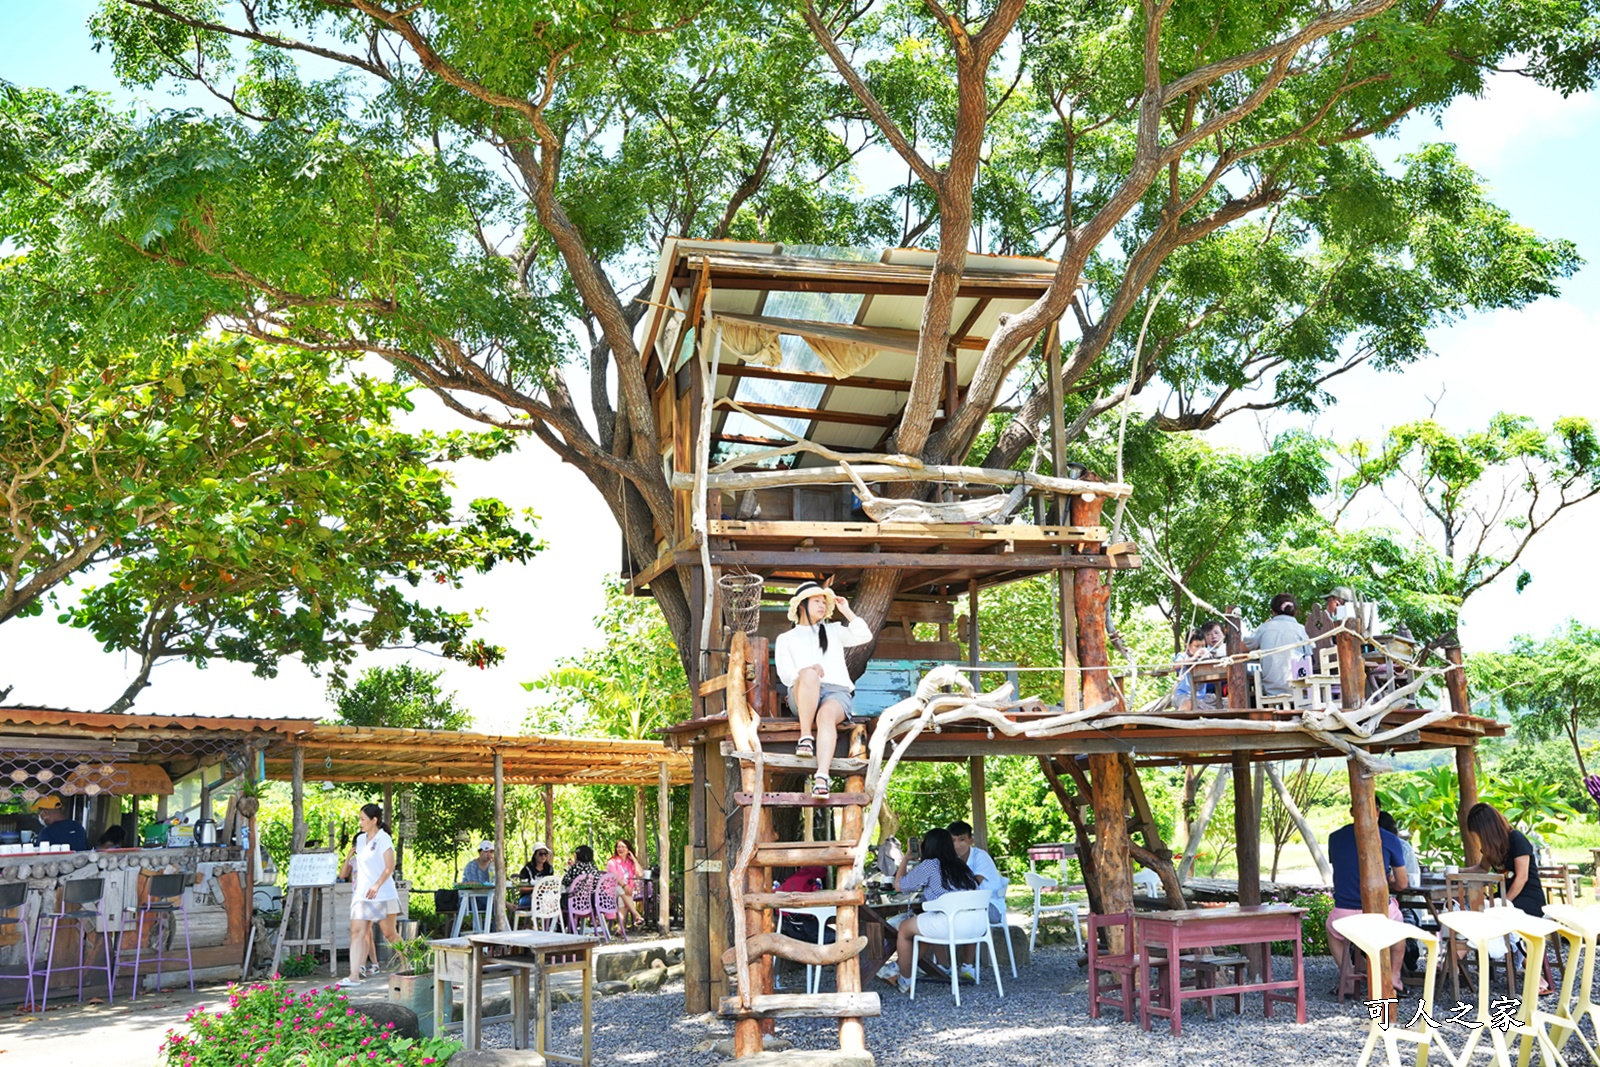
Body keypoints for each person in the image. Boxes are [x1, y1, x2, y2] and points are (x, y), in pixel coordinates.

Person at [774, 580, 873, 798]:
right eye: (816, 601)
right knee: (809, 674)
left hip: (836, 694)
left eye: (823, 602)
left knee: (827, 716)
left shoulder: (833, 631)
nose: (821, 605)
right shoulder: (786, 638)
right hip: (803, 692)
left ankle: (822, 776)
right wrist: (807, 671)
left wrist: (846, 610)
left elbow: (865, 636)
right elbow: (785, 674)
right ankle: (806, 737)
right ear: (802, 605)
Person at [876, 828, 981, 994]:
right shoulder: (961, 865)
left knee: (905, 928)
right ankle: (895, 968)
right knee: (922, 928)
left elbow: (900, 885)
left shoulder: (931, 864)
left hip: (948, 924)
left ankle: (905, 980)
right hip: (974, 926)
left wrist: (906, 858)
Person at [1465, 801, 1551, 994]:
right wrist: (1457, 872)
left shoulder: (1517, 839)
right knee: (1478, 911)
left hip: (1529, 897)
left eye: (1477, 833)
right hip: (1506, 897)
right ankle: (1456, 957)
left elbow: (1522, 878)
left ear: (1485, 829)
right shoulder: (1492, 846)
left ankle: (1535, 975)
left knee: (1503, 915)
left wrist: (1504, 904)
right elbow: (1482, 869)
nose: (1476, 838)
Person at [1326, 804, 1409, 997]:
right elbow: (1403, 883)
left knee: (1331, 930)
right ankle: (1394, 978)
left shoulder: (1335, 838)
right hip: (1379, 914)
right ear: (1378, 812)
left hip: (1343, 914)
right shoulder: (1390, 839)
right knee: (1400, 927)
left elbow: (1344, 869)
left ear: (1352, 812)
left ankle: (1346, 978)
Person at [340, 803, 398, 983]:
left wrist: (377, 885)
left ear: (374, 820)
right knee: (357, 932)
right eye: (359, 819)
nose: (360, 822)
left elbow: (390, 866)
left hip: (382, 893)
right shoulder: (360, 840)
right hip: (361, 895)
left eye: (363, 819)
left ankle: (407, 962)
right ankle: (354, 975)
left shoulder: (383, 839)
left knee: (389, 933)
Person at [947, 820, 1004, 985]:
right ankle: (942, 966)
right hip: (963, 904)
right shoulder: (950, 860)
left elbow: (972, 884)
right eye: (953, 841)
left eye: (962, 840)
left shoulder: (981, 857)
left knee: (969, 913)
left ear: (971, 840)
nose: (957, 845)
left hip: (991, 907)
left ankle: (967, 967)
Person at [1243, 593, 1312, 699]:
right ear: (1295, 611)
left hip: (1271, 688)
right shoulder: (1300, 629)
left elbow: (1244, 646)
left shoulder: (1264, 628)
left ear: (1273, 611)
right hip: (1296, 687)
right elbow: (1309, 655)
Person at [606, 840, 647, 929]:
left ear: (628, 849)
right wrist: (624, 886)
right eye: (618, 847)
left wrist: (634, 859)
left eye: (623, 847)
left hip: (625, 891)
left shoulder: (630, 862)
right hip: (610, 890)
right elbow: (615, 877)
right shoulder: (612, 862)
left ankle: (620, 930)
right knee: (622, 890)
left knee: (623, 899)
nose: (620, 849)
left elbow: (640, 874)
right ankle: (636, 914)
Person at [1307, 585, 1357, 653]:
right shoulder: (1357, 619)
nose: (1326, 605)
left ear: (1337, 603)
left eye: (1329, 601)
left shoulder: (1332, 623)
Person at [1170, 630, 1207, 711]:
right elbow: (1175, 665)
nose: (1200, 649)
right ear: (1188, 646)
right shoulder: (1183, 656)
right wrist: (1193, 659)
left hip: (1201, 696)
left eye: (1203, 646)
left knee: (1222, 701)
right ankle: (1178, 721)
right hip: (1183, 695)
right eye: (1197, 646)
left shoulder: (1204, 658)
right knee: (1188, 703)